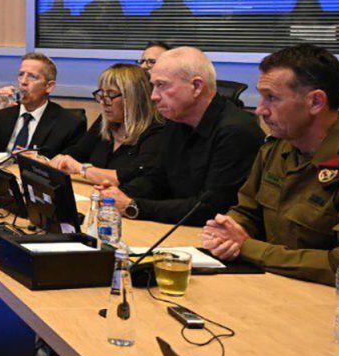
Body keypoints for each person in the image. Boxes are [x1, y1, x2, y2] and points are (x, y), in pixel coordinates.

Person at [202, 44, 339, 284]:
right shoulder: (277, 147)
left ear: (315, 102)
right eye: (261, 96)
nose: (260, 110)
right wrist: (227, 233)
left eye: (271, 98)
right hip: (270, 283)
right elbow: (246, 212)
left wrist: (249, 248)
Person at [99, 47, 263, 225]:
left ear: (196, 87)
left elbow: (211, 207)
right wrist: (120, 193)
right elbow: (158, 179)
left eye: (161, 85)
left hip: (211, 234)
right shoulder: (176, 120)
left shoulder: (236, 132)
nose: (153, 96)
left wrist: (134, 206)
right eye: (153, 86)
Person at [48, 64, 164, 187]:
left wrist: (82, 169)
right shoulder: (105, 122)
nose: (103, 102)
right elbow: (76, 153)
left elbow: (128, 177)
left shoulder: (157, 130)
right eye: (102, 94)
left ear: (133, 97)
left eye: (110, 95)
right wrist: (49, 160)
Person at [0, 53, 86, 157]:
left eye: (32, 77)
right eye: (21, 75)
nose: (23, 82)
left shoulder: (68, 123)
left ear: (49, 86)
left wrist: (42, 161)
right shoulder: (1, 110)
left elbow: (69, 165)